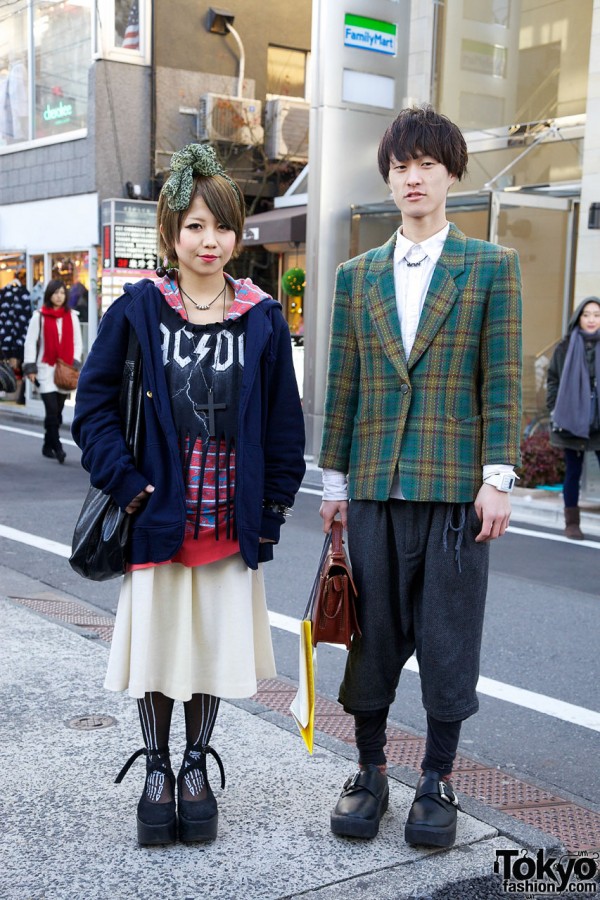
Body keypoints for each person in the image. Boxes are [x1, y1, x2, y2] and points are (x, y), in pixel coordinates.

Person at [71, 144, 305, 847]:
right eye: (196, 226)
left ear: (239, 237)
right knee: (158, 651)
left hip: (228, 520)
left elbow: (283, 425)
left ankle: (196, 767)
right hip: (157, 515)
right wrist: (130, 484)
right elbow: (94, 407)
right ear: (171, 232)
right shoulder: (141, 309)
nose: (210, 241)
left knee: (207, 650)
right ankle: (158, 770)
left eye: (222, 228)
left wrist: (269, 514)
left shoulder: (262, 317)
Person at [319, 106, 522, 848]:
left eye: (428, 164)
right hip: (373, 485)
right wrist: (333, 486)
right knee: (371, 637)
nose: (414, 176)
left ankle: (436, 779)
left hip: (453, 489)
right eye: (402, 165)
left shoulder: (491, 266)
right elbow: (344, 386)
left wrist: (497, 477)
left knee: (447, 638)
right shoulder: (355, 274)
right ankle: (369, 770)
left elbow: (501, 380)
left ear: (451, 174)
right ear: (388, 175)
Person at [547, 297, 600, 540]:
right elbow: (553, 380)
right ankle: (572, 524)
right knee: (573, 472)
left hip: (598, 421)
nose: (591, 319)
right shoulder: (565, 346)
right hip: (571, 419)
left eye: (596, 315)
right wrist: (555, 408)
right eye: (587, 314)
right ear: (579, 317)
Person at [23, 279, 82, 462]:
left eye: (62, 293)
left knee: (57, 411)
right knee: (51, 409)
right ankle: (58, 447)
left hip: (64, 371)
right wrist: (30, 367)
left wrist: (74, 363)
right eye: (55, 293)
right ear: (49, 295)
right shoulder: (38, 316)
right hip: (45, 369)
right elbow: (30, 343)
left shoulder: (72, 316)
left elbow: (77, 342)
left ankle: (47, 444)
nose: (59, 296)